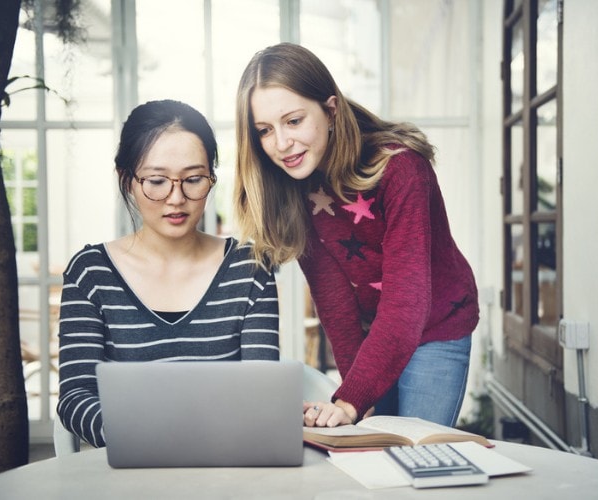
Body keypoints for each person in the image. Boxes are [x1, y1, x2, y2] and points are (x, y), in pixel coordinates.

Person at [234, 43, 479, 429]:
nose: (281, 144)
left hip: (435, 326)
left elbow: (406, 302)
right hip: (373, 333)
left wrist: (349, 400)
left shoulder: (402, 169)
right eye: (265, 131)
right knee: (372, 441)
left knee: (413, 448)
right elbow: (335, 304)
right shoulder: (292, 186)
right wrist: (358, 400)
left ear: (330, 111)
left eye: (294, 121)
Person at [57, 100, 280, 448]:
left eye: (193, 179)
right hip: (130, 468)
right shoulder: (91, 273)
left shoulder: (249, 269)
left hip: (227, 468)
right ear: (127, 180)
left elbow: (262, 391)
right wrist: (134, 434)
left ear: (211, 179)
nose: (176, 198)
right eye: (157, 181)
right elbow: (76, 394)